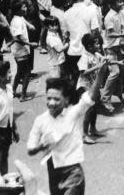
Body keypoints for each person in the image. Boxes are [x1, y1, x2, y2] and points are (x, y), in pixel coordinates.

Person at [27, 66, 109, 195]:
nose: (52, 103)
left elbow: (89, 98)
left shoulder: (72, 114)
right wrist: (41, 146)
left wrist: (100, 76)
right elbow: (30, 149)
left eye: (56, 99)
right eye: (49, 98)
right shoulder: (40, 121)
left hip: (73, 174)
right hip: (53, 174)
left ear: (66, 100)